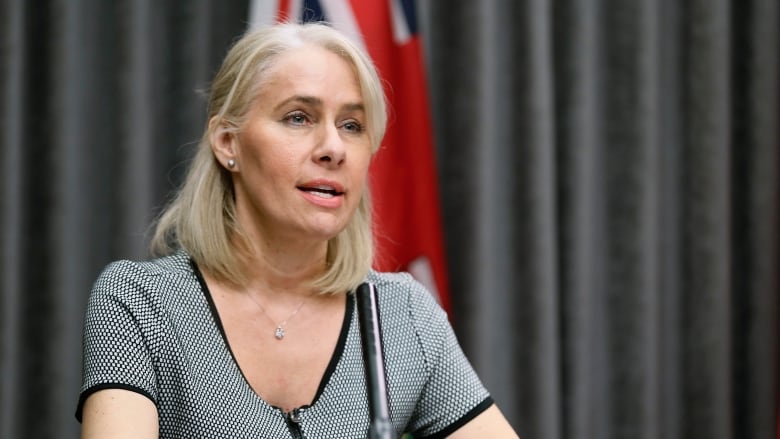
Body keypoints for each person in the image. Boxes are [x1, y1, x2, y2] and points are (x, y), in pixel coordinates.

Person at [76, 22, 520, 438]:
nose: (333, 148)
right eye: (298, 118)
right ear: (228, 143)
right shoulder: (140, 302)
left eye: (352, 126)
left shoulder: (402, 315)